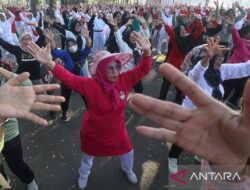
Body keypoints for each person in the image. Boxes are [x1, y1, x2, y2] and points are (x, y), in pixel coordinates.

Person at [26, 31, 152, 190]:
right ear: (101, 70)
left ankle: (127, 170)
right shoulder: (91, 85)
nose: (115, 71)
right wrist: (49, 63)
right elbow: (68, 78)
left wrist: (147, 51)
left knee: (128, 153)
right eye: (110, 67)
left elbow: (143, 69)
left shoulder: (124, 80)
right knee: (87, 159)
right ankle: (83, 175)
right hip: (93, 132)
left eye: (117, 66)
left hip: (117, 131)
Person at [128, 45, 250, 190]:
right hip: (191, 117)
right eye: (217, 58)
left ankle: (203, 162)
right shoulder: (199, 71)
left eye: (222, 58)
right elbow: (194, 74)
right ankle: (172, 158)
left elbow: (244, 68)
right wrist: (206, 58)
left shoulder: (222, 71)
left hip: (211, 123)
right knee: (180, 143)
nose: (220, 61)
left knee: (205, 148)